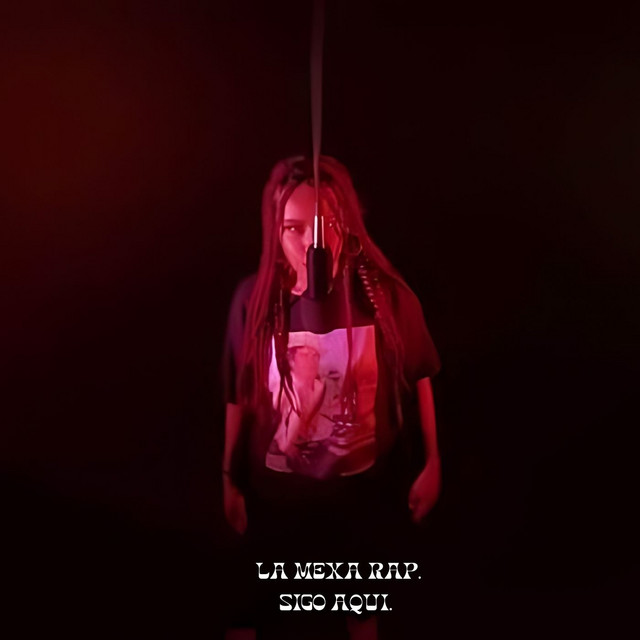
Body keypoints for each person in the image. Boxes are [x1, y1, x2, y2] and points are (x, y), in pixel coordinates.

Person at [221, 155, 441, 640]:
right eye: (293, 228)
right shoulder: (253, 301)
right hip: (277, 497)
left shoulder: (385, 297)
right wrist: (228, 478)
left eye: (325, 224)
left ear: (347, 223)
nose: (310, 243)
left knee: (360, 612)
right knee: (249, 611)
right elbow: (237, 393)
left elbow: (421, 375)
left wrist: (432, 463)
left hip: (358, 497)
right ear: (275, 233)